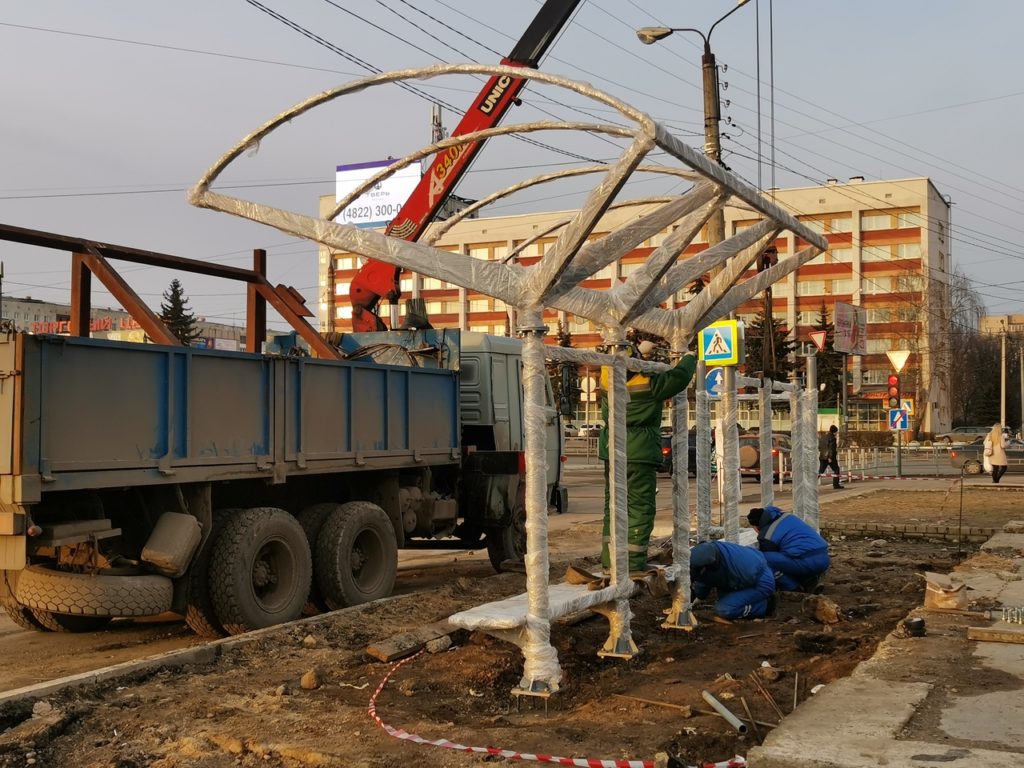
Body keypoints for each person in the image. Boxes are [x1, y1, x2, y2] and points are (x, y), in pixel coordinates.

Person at [599, 341, 697, 572]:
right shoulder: (650, 384)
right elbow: (679, 377)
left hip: (612, 449)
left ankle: (609, 562)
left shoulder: (606, 379)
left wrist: (639, 353)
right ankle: (632, 563)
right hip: (639, 452)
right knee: (639, 507)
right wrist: (689, 357)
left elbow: (622, 365)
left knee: (613, 506)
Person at [747, 505, 830, 592]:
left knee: (762, 559)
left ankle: (792, 588)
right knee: (788, 556)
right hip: (824, 557)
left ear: (756, 526)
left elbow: (773, 559)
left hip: (806, 562)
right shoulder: (786, 516)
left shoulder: (767, 535)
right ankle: (810, 580)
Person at [689, 540, 776, 622]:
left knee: (725, 609)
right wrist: (699, 597)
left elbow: (707, 579)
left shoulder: (737, 566)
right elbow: (704, 581)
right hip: (749, 574)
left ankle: (765, 605)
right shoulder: (710, 552)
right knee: (725, 599)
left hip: (761, 582)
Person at [818, 424, 844, 489]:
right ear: (834, 432)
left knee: (820, 471)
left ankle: (810, 483)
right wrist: (830, 457)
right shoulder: (832, 438)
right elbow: (832, 449)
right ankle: (836, 485)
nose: (836, 433)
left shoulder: (823, 437)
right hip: (830, 458)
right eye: (836, 432)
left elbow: (819, 447)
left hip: (822, 456)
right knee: (836, 470)